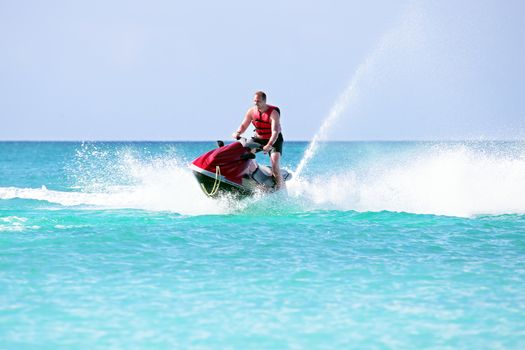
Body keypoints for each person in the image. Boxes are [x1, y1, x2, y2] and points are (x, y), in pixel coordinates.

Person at [232, 91, 285, 189]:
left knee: (274, 164)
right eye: (254, 101)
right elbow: (244, 125)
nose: (256, 103)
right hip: (259, 139)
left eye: (258, 101)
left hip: (274, 140)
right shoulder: (251, 111)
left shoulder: (273, 113)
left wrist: (269, 145)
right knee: (243, 153)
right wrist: (238, 132)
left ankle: (281, 189)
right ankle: (248, 178)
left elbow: (275, 132)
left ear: (264, 101)